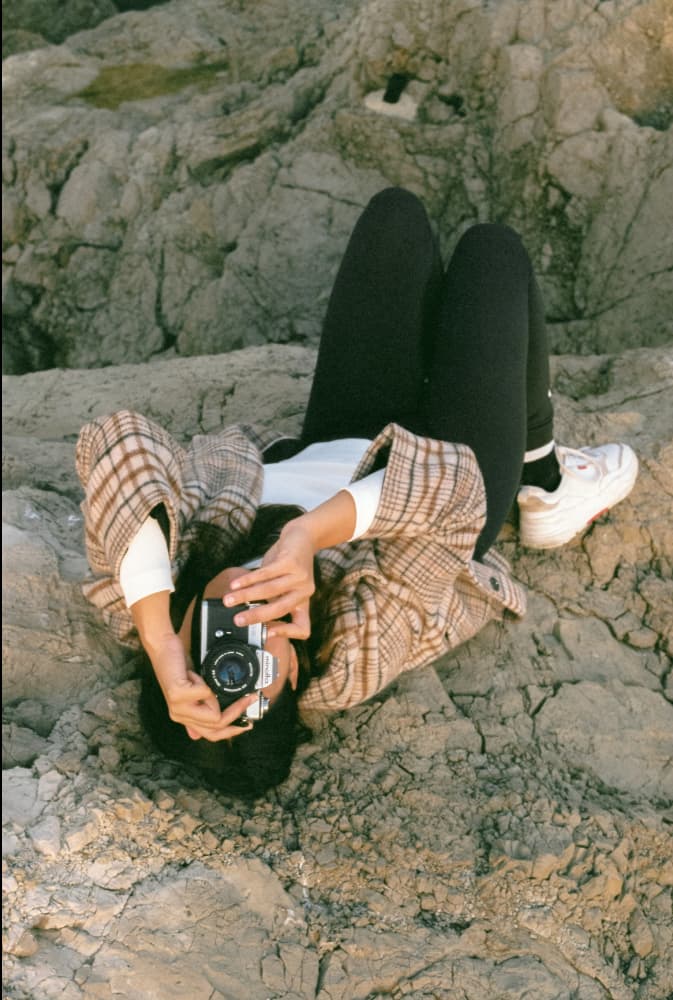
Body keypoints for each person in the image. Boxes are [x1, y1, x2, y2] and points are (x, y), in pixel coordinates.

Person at [76, 187, 638, 796]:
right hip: (454, 479)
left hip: (342, 438)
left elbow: (117, 437)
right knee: (491, 255)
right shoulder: (353, 650)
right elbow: (451, 486)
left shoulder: (149, 595)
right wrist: (305, 536)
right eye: (250, 665)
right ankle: (542, 473)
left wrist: (160, 635)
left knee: (396, 218)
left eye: (205, 654)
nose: (240, 629)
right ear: (293, 671)